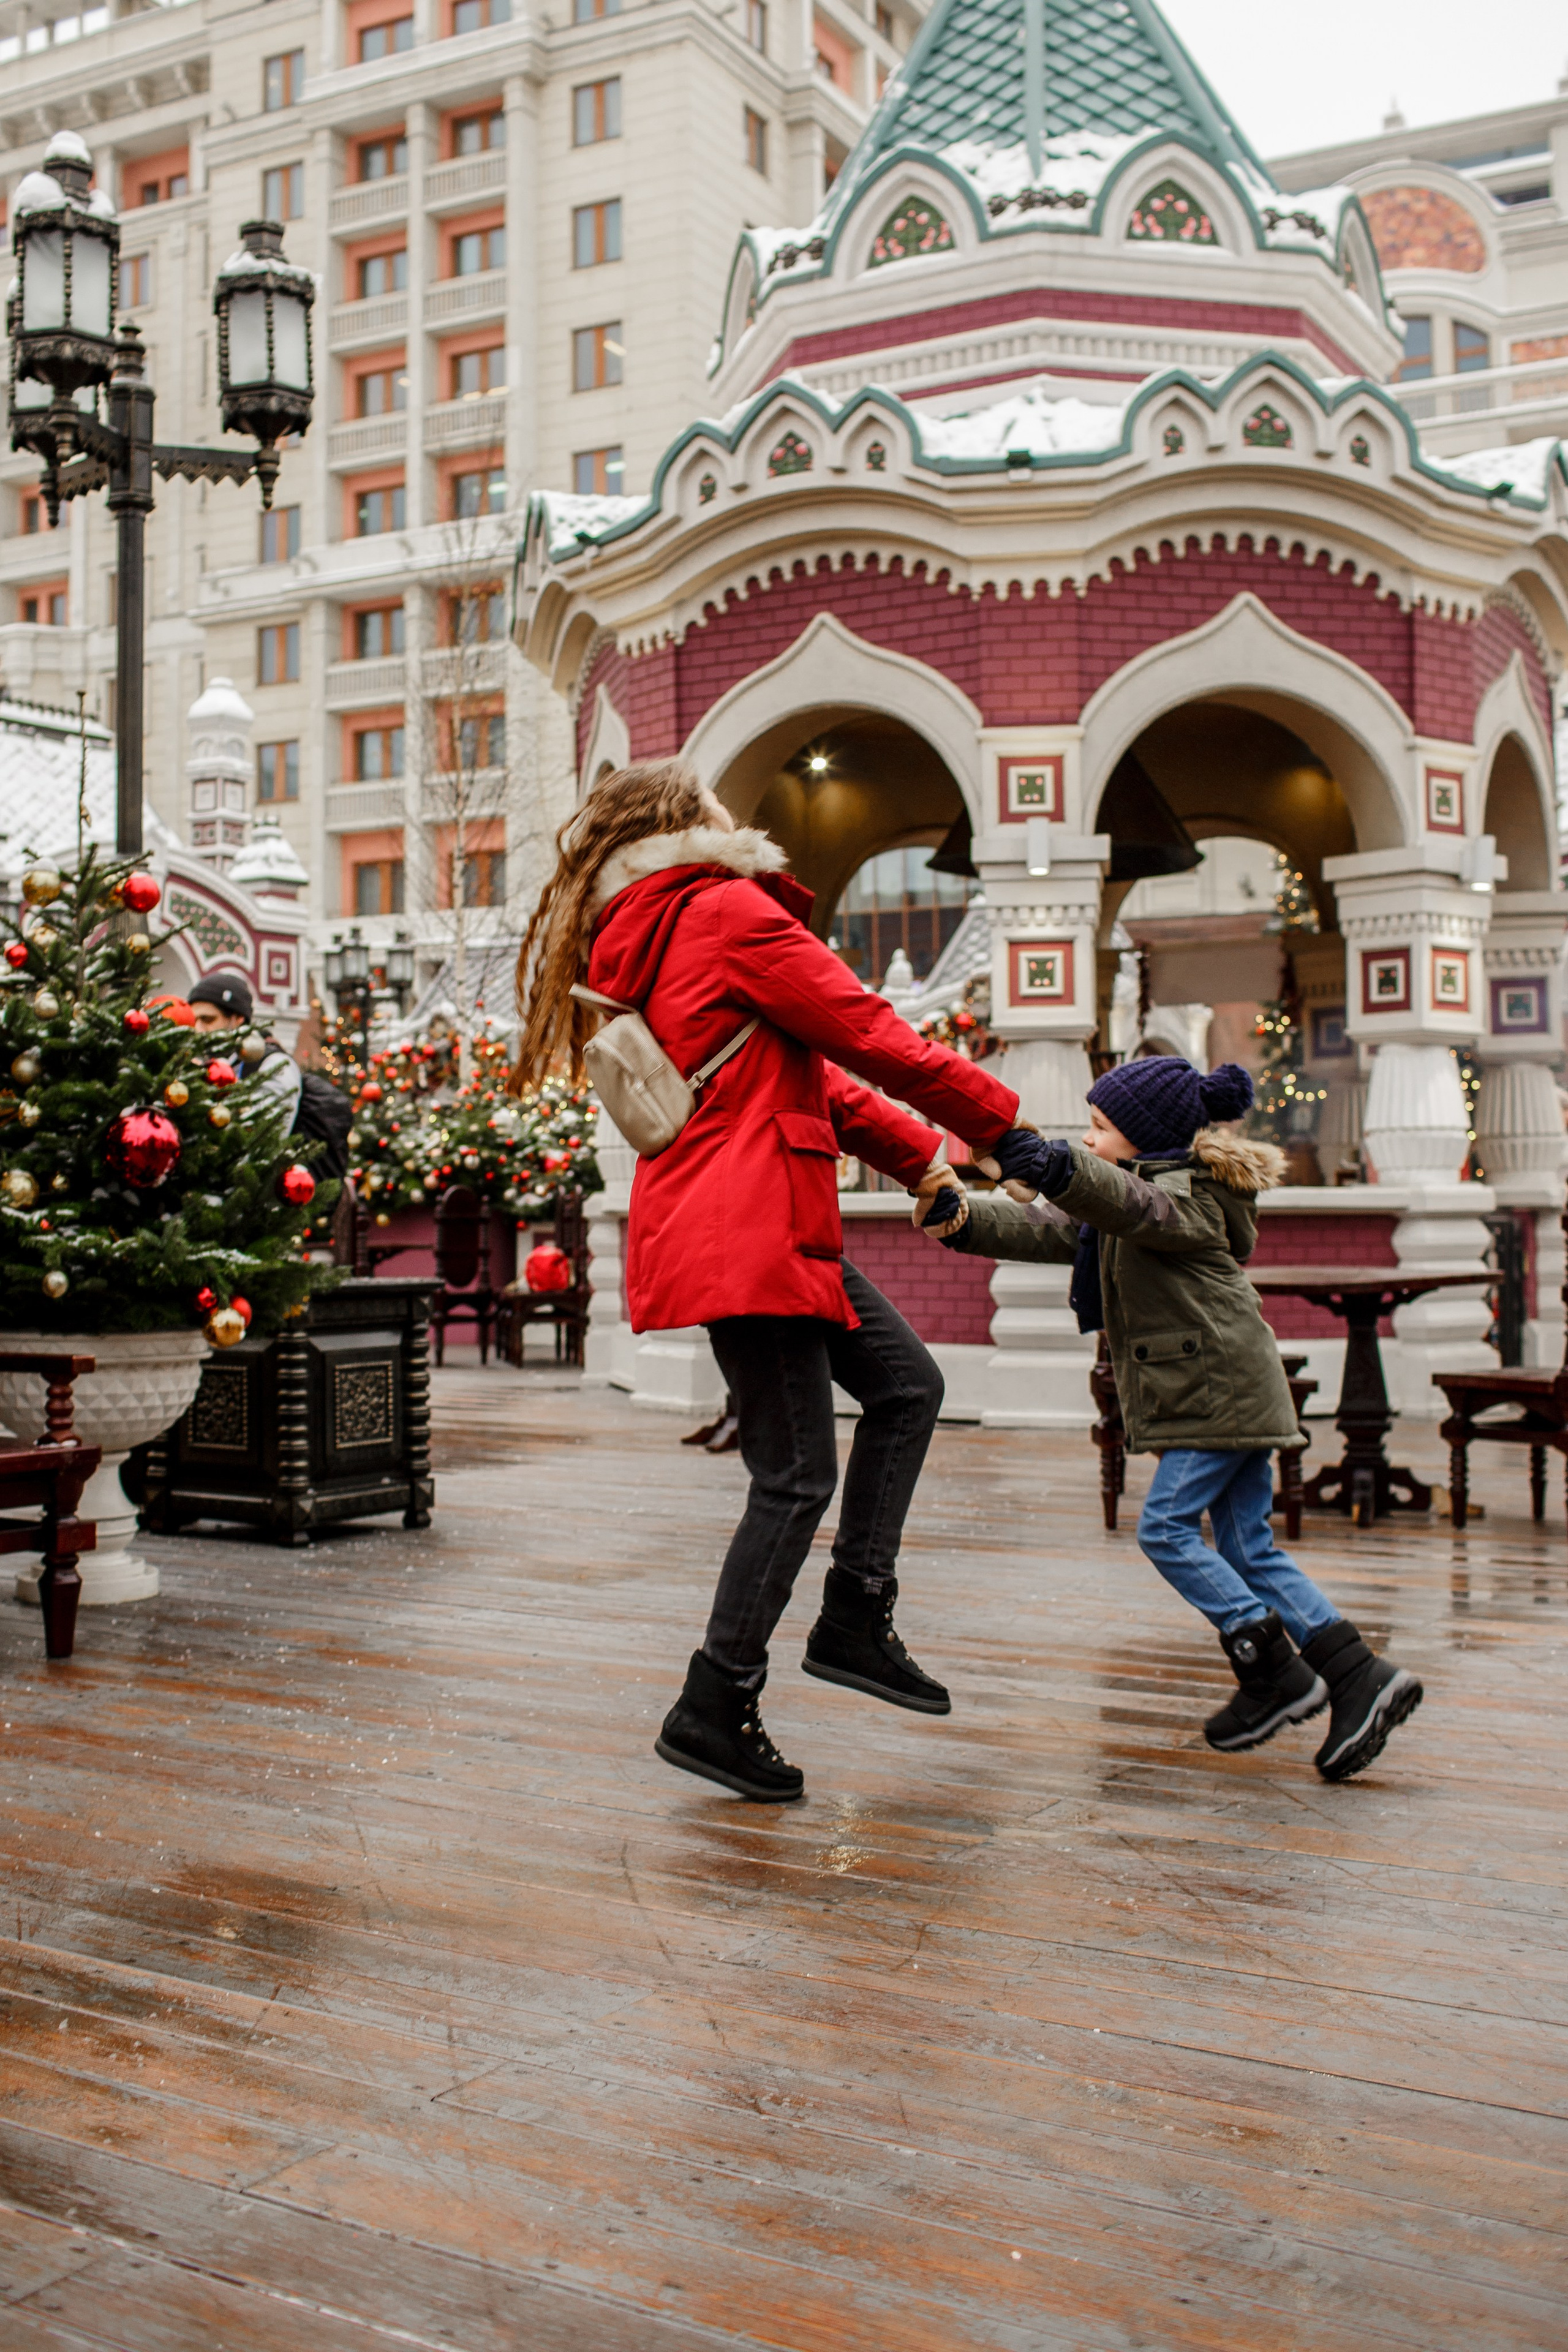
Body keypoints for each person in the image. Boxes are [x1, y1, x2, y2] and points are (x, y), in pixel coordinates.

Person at [513, 760, 1020, 1803]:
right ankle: (716, 1703)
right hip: (751, 1225)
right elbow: (869, 1033)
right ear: (687, 821)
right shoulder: (725, 909)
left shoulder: (655, 926)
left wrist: (926, 1153)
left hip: (746, 1218)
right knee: (793, 1477)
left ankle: (852, 1617)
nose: (727, 812)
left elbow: (805, 1072)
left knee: (906, 1387)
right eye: (712, 801)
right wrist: (1007, 1130)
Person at [924, 1056, 1423, 1783]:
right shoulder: (1122, 1210)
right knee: (1249, 1550)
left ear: (1144, 1137)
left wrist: (1058, 1165)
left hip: (1214, 1392)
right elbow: (1052, 1231)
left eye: (1098, 1129)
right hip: (1223, 1391)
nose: (1088, 1140)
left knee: (1164, 1529)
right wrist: (962, 1218)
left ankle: (1270, 1667)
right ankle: (1359, 1677)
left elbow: (1129, 1205)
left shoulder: (1182, 1197)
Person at [189, 970, 352, 1182]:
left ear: (237, 1019)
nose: (199, 1029)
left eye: (208, 1020)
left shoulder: (273, 1065)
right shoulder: (202, 1065)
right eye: (195, 1020)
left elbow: (266, 1136)